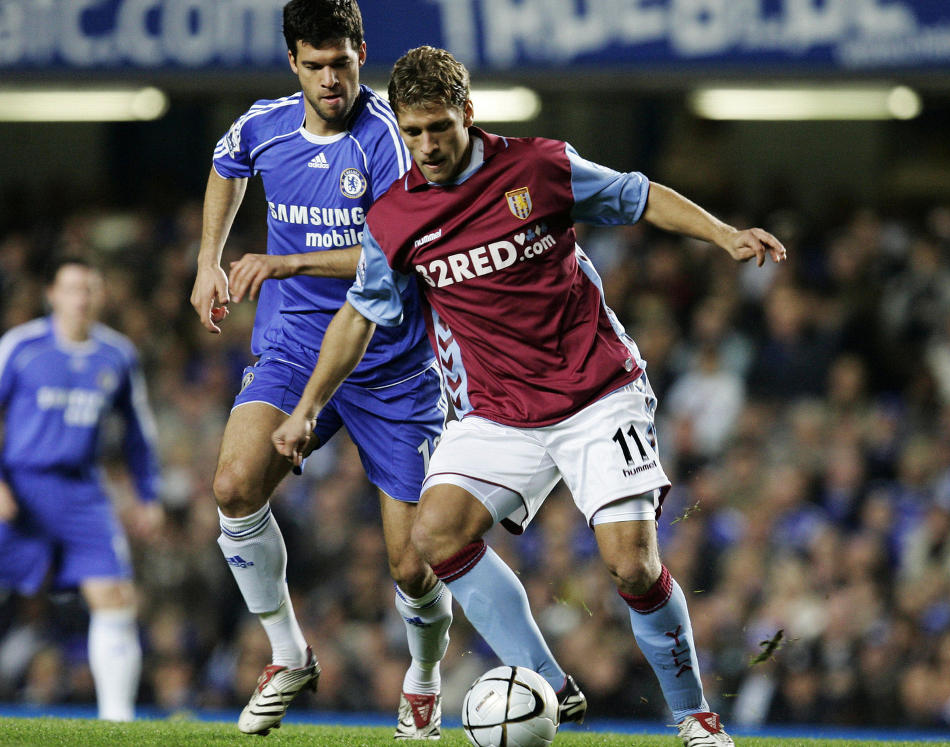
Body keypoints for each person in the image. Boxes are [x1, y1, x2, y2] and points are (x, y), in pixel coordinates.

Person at [273, 46, 788, 746]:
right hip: (494, 410)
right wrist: (305, 408)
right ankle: (549, 681)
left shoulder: (539, 167)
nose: (426, 145)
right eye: (413, 131)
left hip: (597, 391)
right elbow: (359, 315)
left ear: (469, 115)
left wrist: (723, 235)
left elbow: (637, 193)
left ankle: (694, 717)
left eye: (439, 128)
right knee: (435, 532)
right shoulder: (395, 219)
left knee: (631, 562)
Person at [189, 2, 584, 738]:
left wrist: (285, 259)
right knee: (233, 484)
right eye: (316, 65)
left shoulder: (392, 140)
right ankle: (288, 654)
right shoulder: (263, 125)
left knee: (412, 564)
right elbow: (225, 164)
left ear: (361, 53)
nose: (331, 79)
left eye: (342, 62)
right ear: (294, 65)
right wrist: (208, 260)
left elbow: (398, 251)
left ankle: (423, 678)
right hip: (296, 345)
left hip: (395, 363)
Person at [0, 257, 161, 721]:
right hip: (20, 487)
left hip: (82, 491)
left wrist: (147, 495)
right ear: (52, 294)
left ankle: (116, 721)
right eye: (72, 288)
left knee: (114, 597)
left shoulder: (117, 354)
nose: (82, 298)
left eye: (90, 289)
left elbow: (137, 432)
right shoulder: (22, 347)